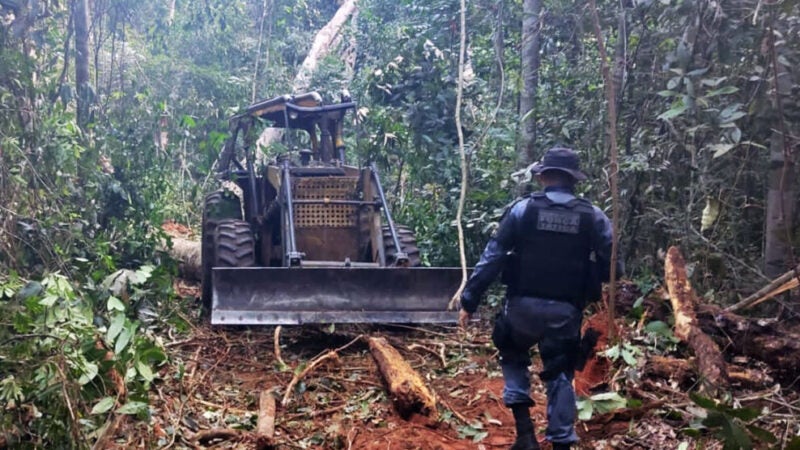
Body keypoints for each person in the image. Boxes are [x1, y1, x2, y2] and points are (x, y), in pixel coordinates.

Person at [458, 147, 616, 450]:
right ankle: (561, 443)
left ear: (542, 175)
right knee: (560, 373)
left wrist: (469, 300)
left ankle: (526, 435)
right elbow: (613, 265)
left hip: (521, 310)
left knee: (513, 355)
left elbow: (493, 257)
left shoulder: (523, 210)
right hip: (565, 312)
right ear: (573, 180)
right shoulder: (593, 216)